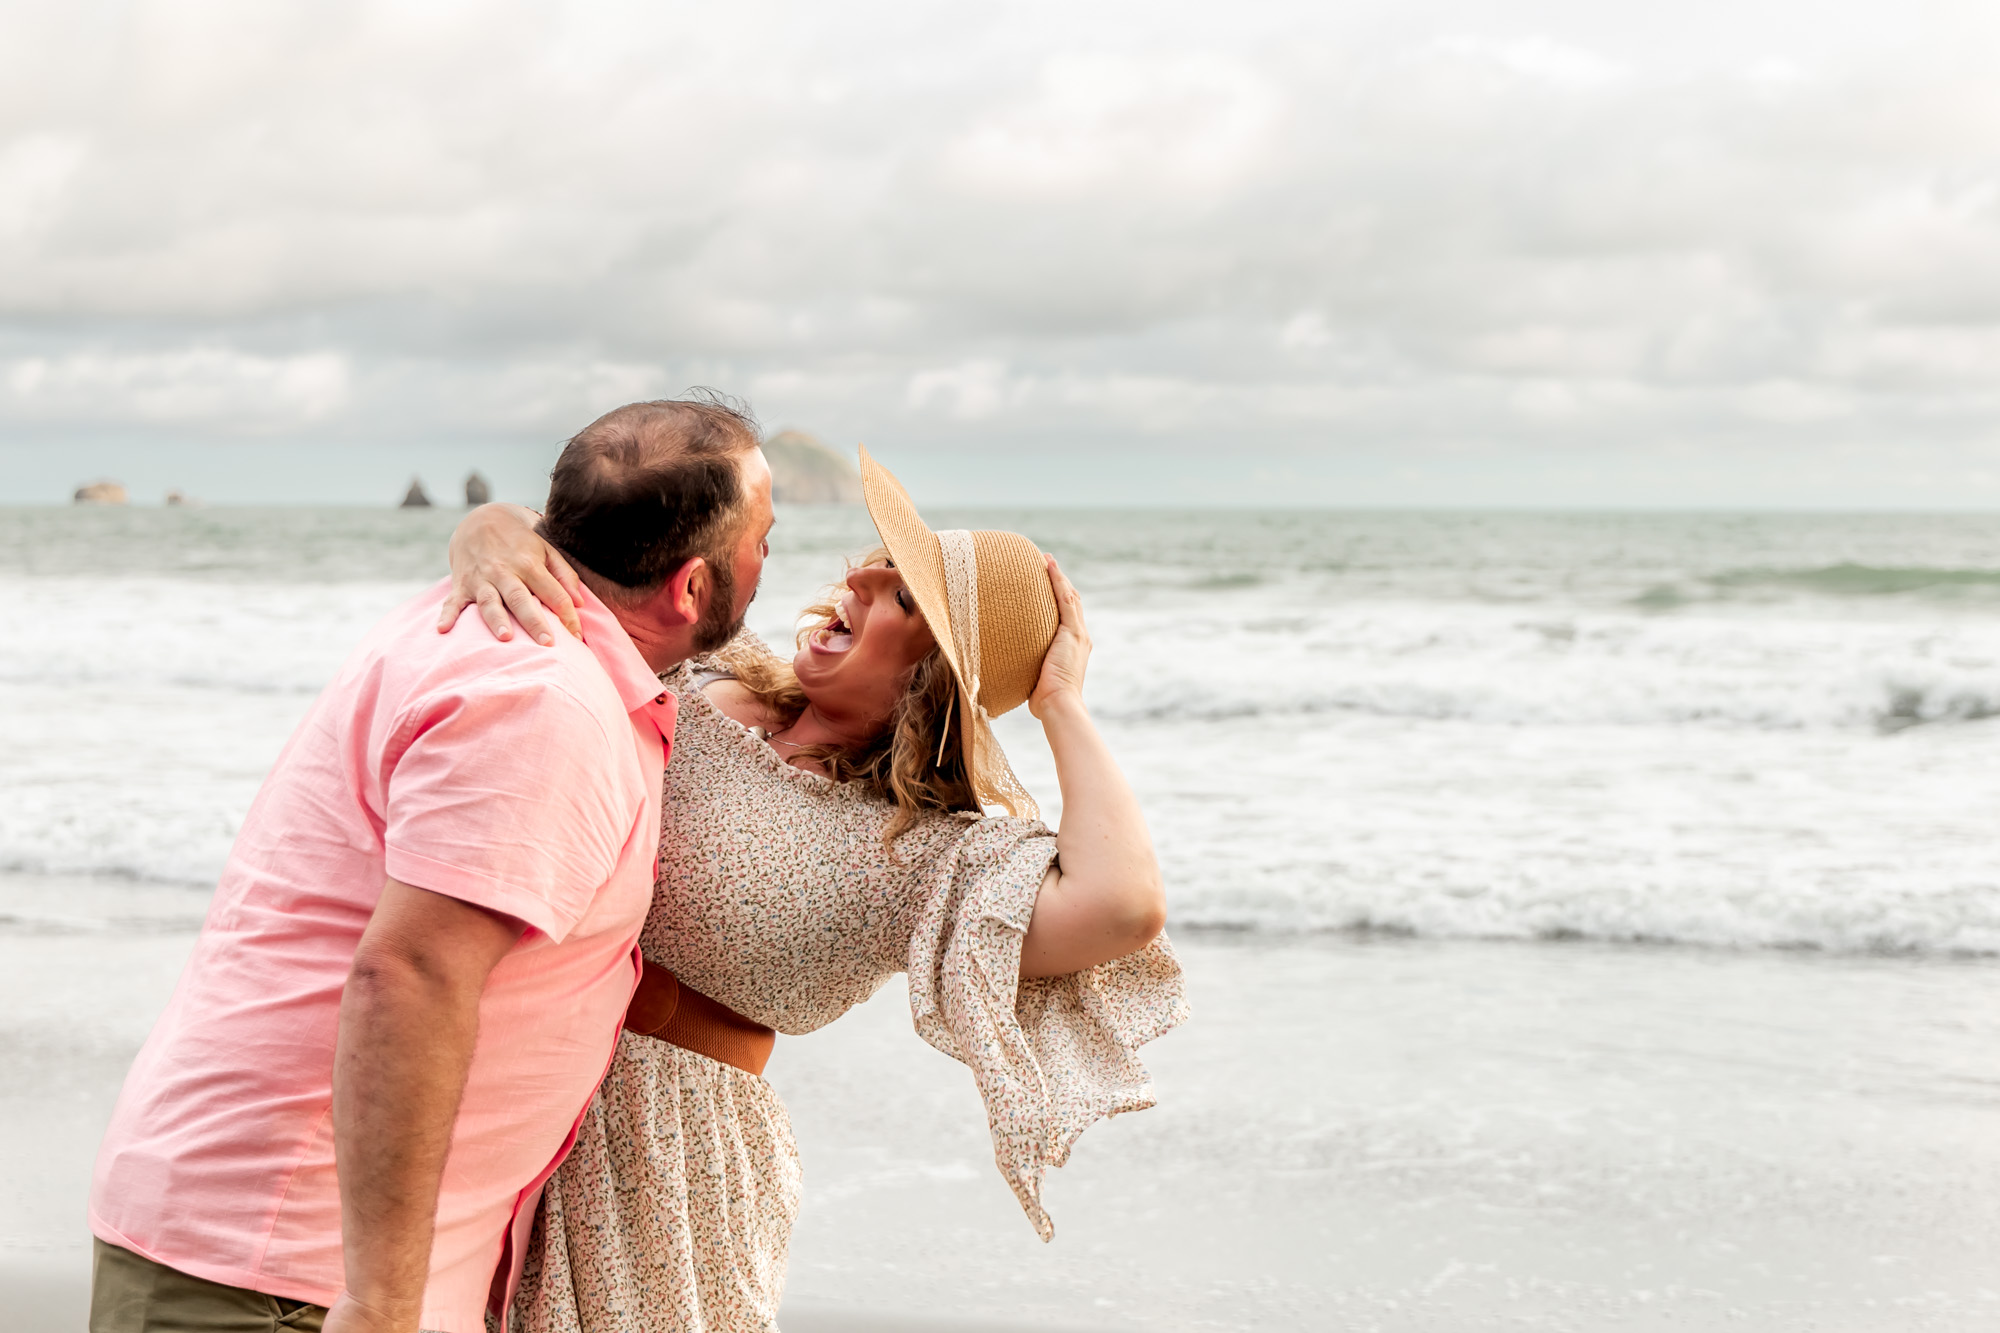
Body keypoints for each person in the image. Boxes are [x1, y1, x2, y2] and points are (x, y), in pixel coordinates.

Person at [442, 446, 1188, 1332]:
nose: (858, 579)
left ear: (935, 678)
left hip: (667, 1163)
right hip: (501, 1079)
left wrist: (1058, 700)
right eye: (875, 562)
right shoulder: (703, 664)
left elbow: (1123, 904)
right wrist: (485, 528)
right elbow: (573, 556)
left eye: (901, 595)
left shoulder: (921, 853)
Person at [87, 396, 776, 1333]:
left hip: (286, 1255)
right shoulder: (545, 700)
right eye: (764, 540)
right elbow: (408, 977)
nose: (770, 561)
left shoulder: (500, 628)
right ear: (692, 588)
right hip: (290, 1276)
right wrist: (378, 1303)